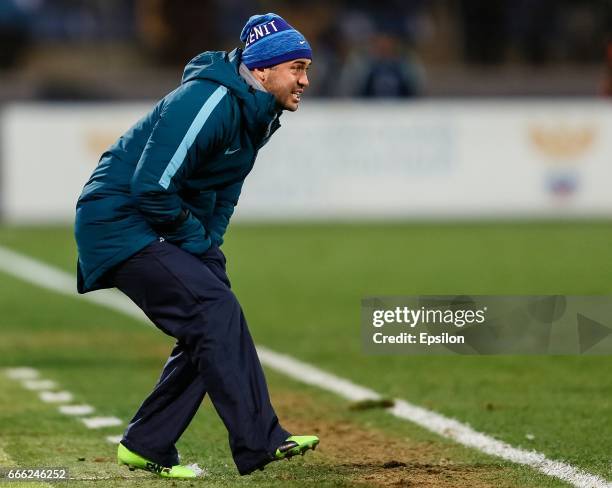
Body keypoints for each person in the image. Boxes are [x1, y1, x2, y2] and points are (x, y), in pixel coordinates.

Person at [74, 12, 318, 479]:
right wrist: (194, 241)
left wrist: (210, 246)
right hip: (118, 219)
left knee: (214, 322)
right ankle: (261, 441)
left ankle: (147, 444)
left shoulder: (258, 113)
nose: (305, 80)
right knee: (215, 312)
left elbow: (223, 190)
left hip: (153, 220)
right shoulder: (210, 100)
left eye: (306, 69)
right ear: (263, 70)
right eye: (298, 68)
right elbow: (151, 186)